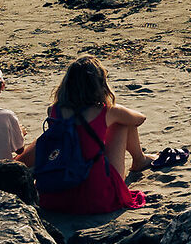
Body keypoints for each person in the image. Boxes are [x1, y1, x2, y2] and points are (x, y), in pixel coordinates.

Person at [32, 57, 149, 214]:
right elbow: (140, 119)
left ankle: (140, 159)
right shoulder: (107, 111)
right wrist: (114, 111)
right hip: (96, 197)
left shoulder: (54, 110)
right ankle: (140, 160)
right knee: (122, 123)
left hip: (56, 194)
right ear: (99, 85)